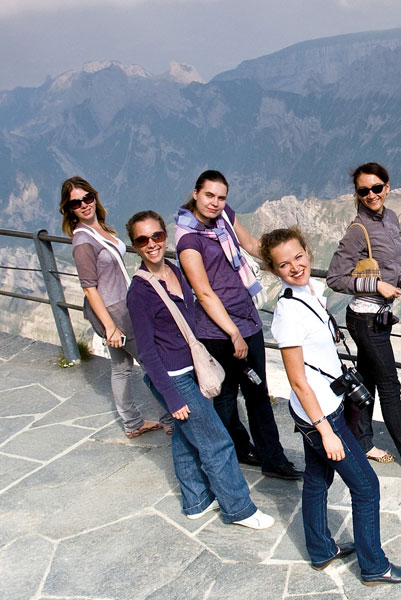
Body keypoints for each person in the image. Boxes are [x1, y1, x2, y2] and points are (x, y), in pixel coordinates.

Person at [263, 226, 401, 585]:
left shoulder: (308, 291)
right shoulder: (287, 314)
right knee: (366, 487)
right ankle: (374, 567)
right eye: (284, 264)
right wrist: (326, 431)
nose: (295, 266)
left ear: (307, 252)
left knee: (317, 478)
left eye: (298, 257)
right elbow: (297, 380)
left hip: (321, 407)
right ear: (274, 270)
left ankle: (320, 550)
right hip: (320, 415)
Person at [126, 210, 273, 528]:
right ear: (135, 245)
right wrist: (172, 399)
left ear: (165, 236)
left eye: (157, 236)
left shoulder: (176, 271)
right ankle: (239, 509)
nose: (151, 244)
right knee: (217, 441)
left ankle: (195, 501)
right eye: (142, 239)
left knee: (185, 435)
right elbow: (146, 353)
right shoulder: (139, 293)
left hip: (191, 368)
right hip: (173, 378)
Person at [175, 170, 300, 480]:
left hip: (247, 317)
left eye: (221, 197)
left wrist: (289, 265)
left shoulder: (224, 219)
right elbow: (203, 293)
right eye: (209, 195)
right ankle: (234, 452)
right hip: (218, 331)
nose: (215, 203)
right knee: (225, 396)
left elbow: (253, 246)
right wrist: (233, 333)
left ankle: (271, 458)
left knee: (257, 392)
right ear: (195, 193)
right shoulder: (188, 240)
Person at [327, 162, 401, 469]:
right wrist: (375, 285)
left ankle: (361, 442)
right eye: (364, 191)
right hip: (365, 318)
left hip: (378, 317)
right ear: (358, 195)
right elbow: (335, 278)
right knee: (390, 385)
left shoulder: (391, 218)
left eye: (377, 188)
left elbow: (395, 260)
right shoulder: (356, 231)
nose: (372, 195)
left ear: (387, 187)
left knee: (367, 380)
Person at [60, 176, 171, 439]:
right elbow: (89, 287)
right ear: (70, 209)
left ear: (94, 196)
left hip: (121, 305)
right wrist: (111, 326)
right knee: (150, 360)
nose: (84, 204)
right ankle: (171, 418)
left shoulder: (99, 229)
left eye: (87, 197)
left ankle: (132, 422)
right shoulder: (83, 242)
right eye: (76, 202)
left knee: (121, 367)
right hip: (117, 311)